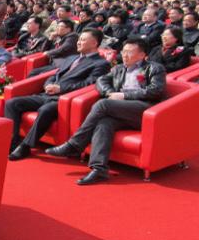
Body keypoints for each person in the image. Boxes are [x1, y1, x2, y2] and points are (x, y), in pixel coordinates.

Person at [45, 38, 167, 185]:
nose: (125, 55)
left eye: (129, 52)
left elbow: (156, 90)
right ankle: (99, 169)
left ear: (142, 55)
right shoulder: (118, 68)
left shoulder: (155, 68)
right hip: (121, 109)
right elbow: (101, 81)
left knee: (103, 104)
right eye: (124, 51)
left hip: (144, 110)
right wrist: (110, 93)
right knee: (104, 123)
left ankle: (75, 144)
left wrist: (124, 95)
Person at [6, 28, 110, 160]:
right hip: (47, 94)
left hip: (64, 100)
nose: (78, 42)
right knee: (12, 103)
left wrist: (60, 88)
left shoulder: (101, 63)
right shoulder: (72, 58)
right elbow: (55, 74)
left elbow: (89, 84)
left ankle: (25, 146)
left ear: (94, 43)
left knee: (45, 110)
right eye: (79, 39)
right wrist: (48, 85)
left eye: (83, 40)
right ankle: (12, 142)